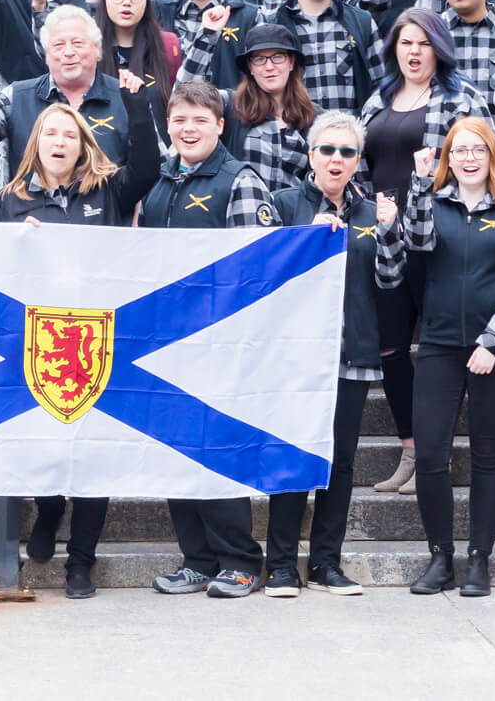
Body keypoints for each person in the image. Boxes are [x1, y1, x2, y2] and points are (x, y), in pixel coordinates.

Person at [0, 98, 161, 598]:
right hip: (38, 341)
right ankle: (47, 509)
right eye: (51, 134)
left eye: (70, 134)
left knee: (96, 455)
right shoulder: (10, 198)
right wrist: (18, 243)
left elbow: (149, 166)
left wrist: (135, 103)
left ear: (83, 143)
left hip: (98, 339)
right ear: (36, 144)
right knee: (44, 444)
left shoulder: (106, 188)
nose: (60, 142)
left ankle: (80, 563)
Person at [380, 118, 495, 598]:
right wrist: (420, 186)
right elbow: (417, 248)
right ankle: (440, 555)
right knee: (430, 455)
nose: (469, 158)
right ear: (448, 156)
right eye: (460, 150)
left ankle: (479, 560)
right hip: (440, 345)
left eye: (479, 150)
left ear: (492, 155)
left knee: (488, 457)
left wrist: (491, 342)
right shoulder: (433, 201)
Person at [143, 80, 277, 600]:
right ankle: (197, 560)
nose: (188, 129)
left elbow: (256, 269)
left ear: (221, 125)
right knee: (177, 455)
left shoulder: (238, 181)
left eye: (200, 119)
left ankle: (242, 560)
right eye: (179, 120)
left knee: (218, 455)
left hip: (218, 347)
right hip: (164, 347)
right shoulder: (161, 184)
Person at [357, 8, 493, 491]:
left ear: (439, 48)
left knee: (441, 346)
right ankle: (411, 451)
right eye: (405, 43)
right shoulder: (379, 97)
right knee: (391, 347)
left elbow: (488, 159)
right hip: (385, 236)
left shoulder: (463, 98)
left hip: (439, 235)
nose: (414, 52)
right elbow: (359, 161)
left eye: (423, 43)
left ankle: (439, 450)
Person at [262, 113, 385, 597]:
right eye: (328, 150)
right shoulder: (283, 204)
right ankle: (281, 566)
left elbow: (390, 283)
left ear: (358, 161)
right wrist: (303, 242)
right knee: (293, 456)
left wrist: (393, 233)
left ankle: (326, 563)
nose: (337, 159)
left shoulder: (375, 213)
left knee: (342, 462)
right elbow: (263, 278)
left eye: (348, 152)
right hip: (296, 357)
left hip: (353, 350)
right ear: (311, 155)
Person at [0, 5, 147, 170]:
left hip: (106, 214)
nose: (68, 52)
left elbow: (151, 165)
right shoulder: (18, 96)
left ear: (97, 49)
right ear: (46, 54)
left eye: (77, 43)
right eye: (58, 45)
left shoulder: (125, 96)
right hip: (34, 215)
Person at [192, 22, 313, 194]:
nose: (269, 66)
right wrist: (207, 36)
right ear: (250, 67)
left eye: (278, 57)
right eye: (259, 59)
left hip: (291, 218)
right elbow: (186, 95)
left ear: (291, 62)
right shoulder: (230, 103)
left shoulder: (313, 116)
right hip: (239, 214)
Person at [278, 0, 387, 113]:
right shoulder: (276, 24)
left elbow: (383, 87)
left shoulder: (361, 23)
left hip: (350, 138)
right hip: (294, 138)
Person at [85, 0, 178, 126]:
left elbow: (180, 98)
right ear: (104, 0)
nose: (126, 2)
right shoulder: (88, 48)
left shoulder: (168, 45)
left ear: (147, 2)